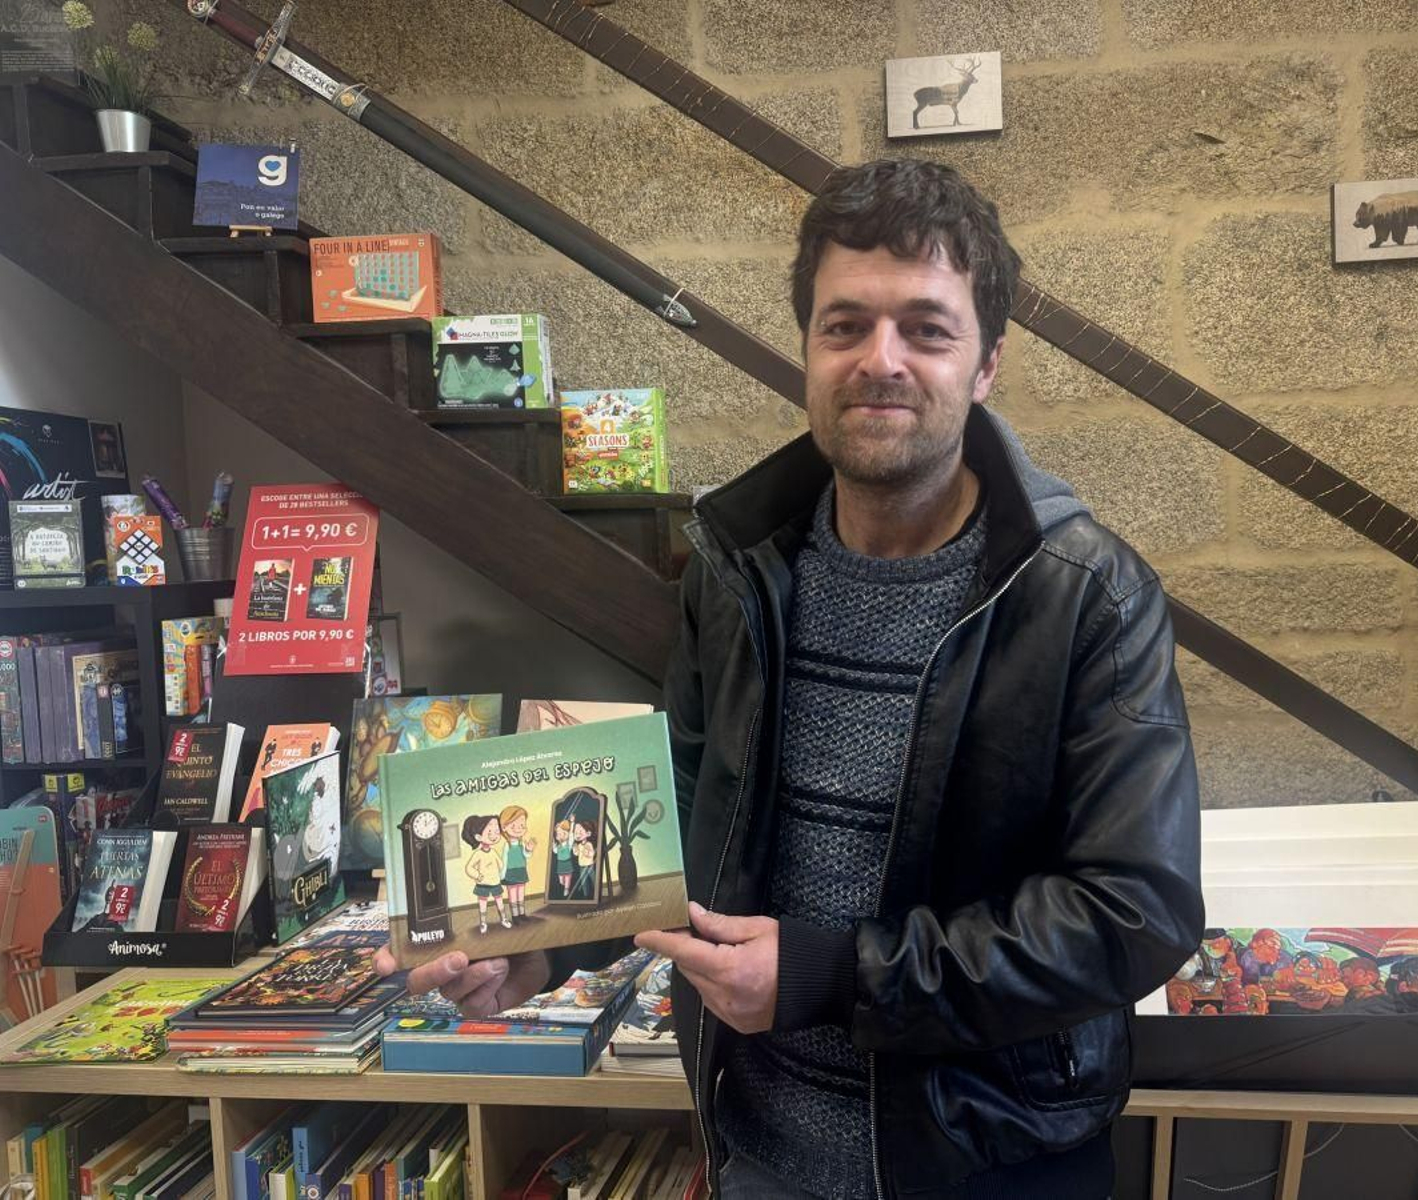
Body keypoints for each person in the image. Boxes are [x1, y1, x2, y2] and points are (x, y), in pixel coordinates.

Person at [378, 158, 1203, 1199]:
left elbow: (1134, 912)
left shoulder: (1089, 597)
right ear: (807, 348)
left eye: (926, 330)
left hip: (988, 1163)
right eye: (845, 325)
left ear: (987, 363)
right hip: (759, 1153)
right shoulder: (736, 570)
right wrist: (543, 948)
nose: (880, 360)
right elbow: (681, 812)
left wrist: (834, 977)